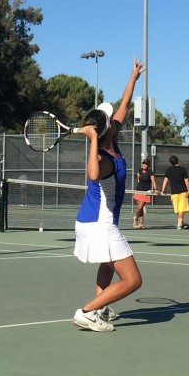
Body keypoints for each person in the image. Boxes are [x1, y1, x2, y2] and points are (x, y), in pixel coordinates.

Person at [73, 57, 145, 332]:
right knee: (133, 280)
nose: (116, 119)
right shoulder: (103, 158)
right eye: (110, 119)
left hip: (94, 221)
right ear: (105, 131)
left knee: (107, 263)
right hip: (98, 224)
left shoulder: (111, 136)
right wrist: (92, 142)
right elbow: (92, 174)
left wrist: (133, 77)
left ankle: (99, 306)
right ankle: (87, 311)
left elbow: (124, 104)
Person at [161, 155, 189, 230]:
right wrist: (188, 190)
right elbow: (186, 181)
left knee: (178, 209)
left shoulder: (168, 170)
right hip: (183, 191)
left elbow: (165, 180)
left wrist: (163, 190)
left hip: (174, 192)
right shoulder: (182, 169)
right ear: (177, 161)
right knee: (181, 208)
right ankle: (179, 223)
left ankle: (180, 223)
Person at [132, 158, 158, 229]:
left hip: (145, 192)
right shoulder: (140, 170)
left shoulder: (150, 172)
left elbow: (153, 181)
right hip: (138, 191)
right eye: (144, 163)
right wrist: (138, 181)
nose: (144, 165)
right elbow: (138, 175)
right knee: (140, 208)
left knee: (140, 207)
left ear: (148, 165)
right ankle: (141, 223)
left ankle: (135, 219)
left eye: (146, 164)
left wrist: (155, 189)